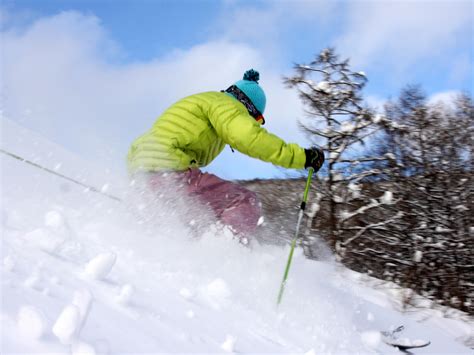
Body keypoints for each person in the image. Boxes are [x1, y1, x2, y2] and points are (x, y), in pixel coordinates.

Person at [127, 69, 324, 242]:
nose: (255, 123)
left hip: (142, 170)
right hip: (172, 168)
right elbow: (250, 138)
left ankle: (179, 236)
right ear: (249, 107)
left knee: (195, 214)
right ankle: (228, 252)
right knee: (244, 201)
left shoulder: (205, 100)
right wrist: (302, 157)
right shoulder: (227, 106)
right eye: (257, 119)